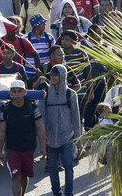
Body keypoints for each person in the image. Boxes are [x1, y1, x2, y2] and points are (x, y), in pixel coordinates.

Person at [0, 80, 48, 196]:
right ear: (10, 92)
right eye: (14, 91)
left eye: (19, 91)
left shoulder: (32, 108)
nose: (17, 94)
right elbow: (1, 131)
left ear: (24, 92)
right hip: (12, 149)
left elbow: (40, 128)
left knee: (24, 176)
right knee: (16, 176)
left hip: (28, 148)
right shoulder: (4, 109)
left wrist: (43, 147)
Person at [43, 64, 82, 196]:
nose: (53, 77)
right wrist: (43, 138)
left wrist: (78, 139)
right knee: (53, 168)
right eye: (52, 75)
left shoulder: (71, 94)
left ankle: (69, 192)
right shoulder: (45, 94)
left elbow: (76, 118)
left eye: (56, 75)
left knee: (68, 165)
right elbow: (41, 117)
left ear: (63, 76)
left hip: (67, 136)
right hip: (51, 137)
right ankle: (56, 193)